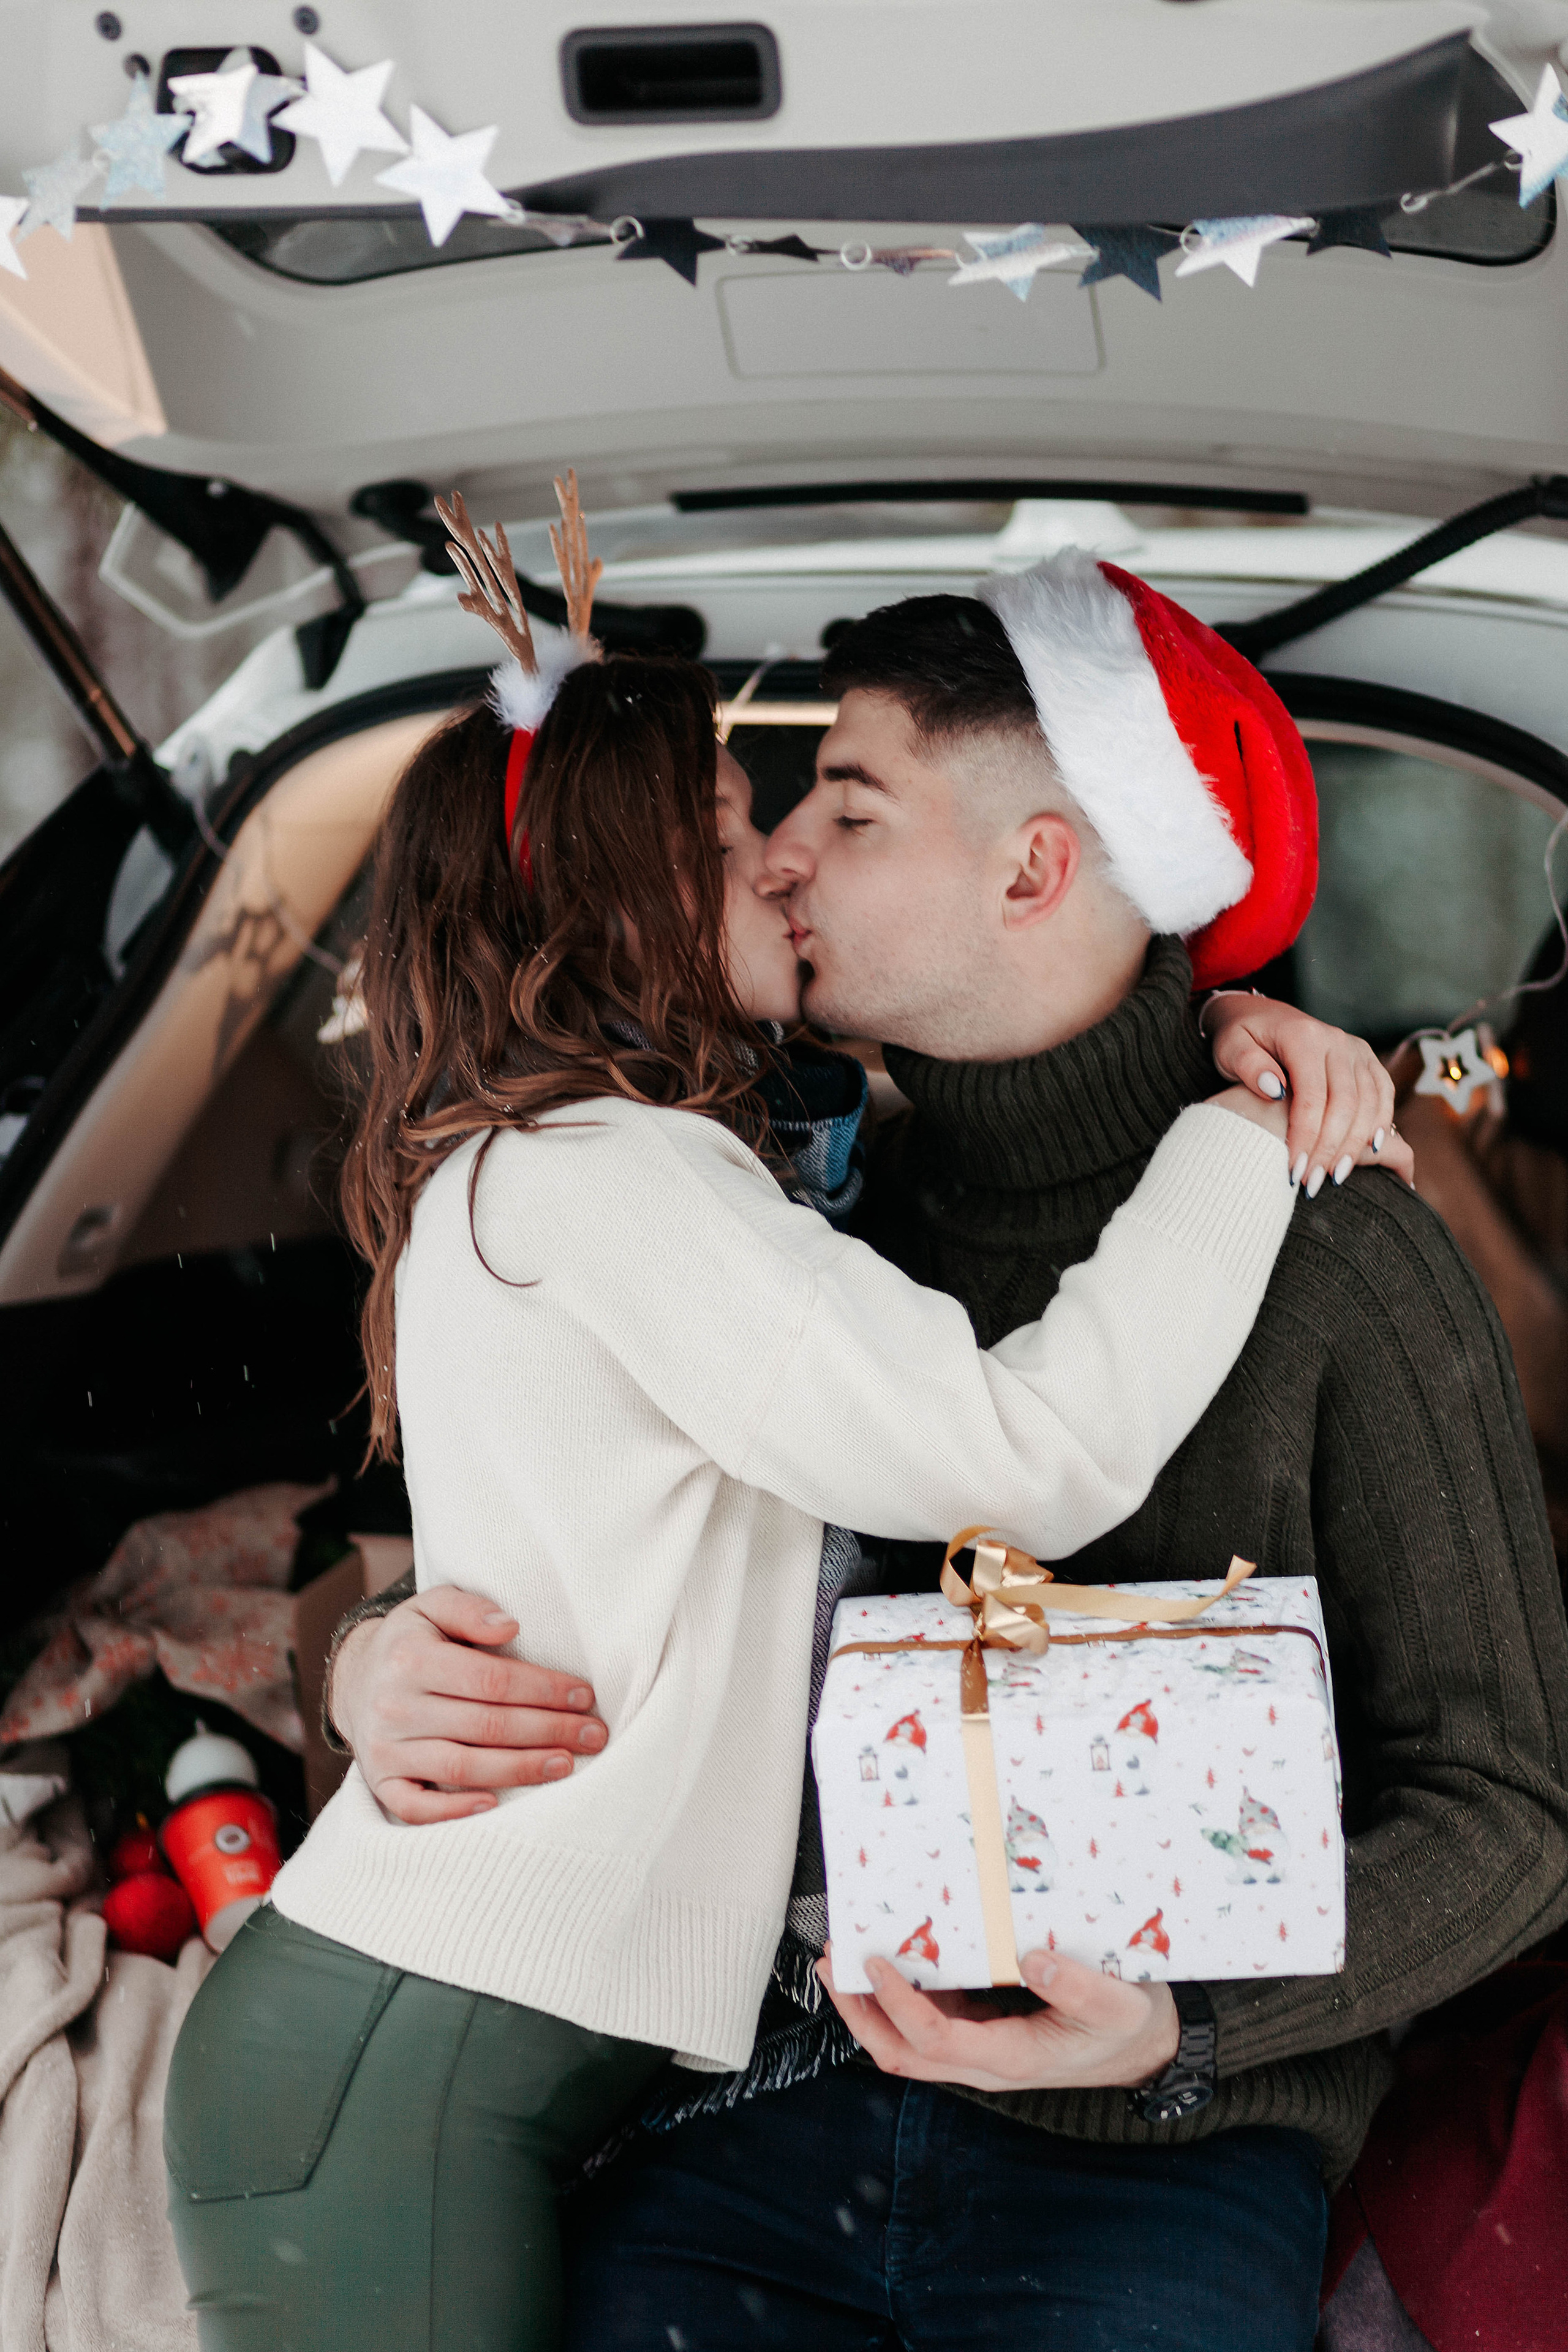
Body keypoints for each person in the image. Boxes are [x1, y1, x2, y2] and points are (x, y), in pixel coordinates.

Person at [328, 559, 1568, 2352]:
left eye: (846, 806)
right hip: (753, 2112)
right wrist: (383, 1666)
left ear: (1034, 868)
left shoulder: (1343, 1256)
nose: (780, 863)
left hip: (1160, 2154)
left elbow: (1514, 1812)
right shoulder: (792, 1220)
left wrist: (1184, 2022)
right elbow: (530, 1505)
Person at [162, 499, 1315, 2352]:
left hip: (432, 2045)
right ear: (613, 903)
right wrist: (1244, 1144)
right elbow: (1027, 1461)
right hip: (402, 2056)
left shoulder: (598, 1168)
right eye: (722, 843)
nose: (780, 870)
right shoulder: (617, 1181)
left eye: (818, 824)